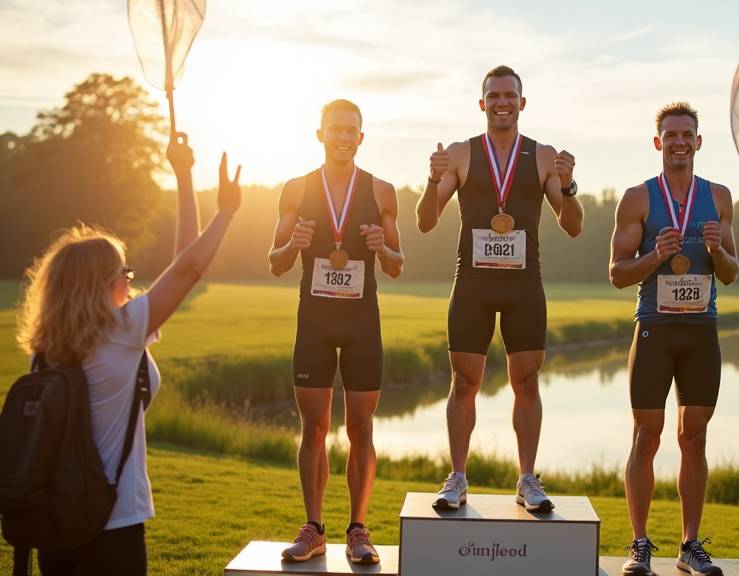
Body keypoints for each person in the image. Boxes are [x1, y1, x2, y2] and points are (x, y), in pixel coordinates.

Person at [15, 133, 242, 575]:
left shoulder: (44, 352)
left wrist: (183, 175)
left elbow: (181, 262)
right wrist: (226, 212)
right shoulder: (120, 333)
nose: (131, 280)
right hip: (112, 525)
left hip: (56, 525)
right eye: (126, 272)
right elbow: (189, 268)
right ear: (102, 285)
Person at [415, 65, 584, 512]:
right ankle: (457, 478)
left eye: (510, 96)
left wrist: (567, 185)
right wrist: (432, 180)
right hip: (473, 283)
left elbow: (573, 226)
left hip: (524, 286)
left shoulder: (544, 156)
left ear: (522, 103)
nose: (502, 103)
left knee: (525, 382)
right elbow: (425, 221)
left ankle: (527, 479)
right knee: (464, 381)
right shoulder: (460, 154)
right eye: (494, 96)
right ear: (482, 103)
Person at [269, 99, 403, 564]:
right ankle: (314, 528)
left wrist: (383, 247)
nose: (344, 136)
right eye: (335, 129)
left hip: (363, 322)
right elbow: (275, 261)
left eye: (352, 130)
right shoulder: (296, 189)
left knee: (361, 427)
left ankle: (359, 530)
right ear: (320, 134)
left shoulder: (382, 191)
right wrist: (292, 244)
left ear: (361, 137)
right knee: (315, 427)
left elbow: (398, 265)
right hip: (315, 323)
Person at [608, 102, 738, 576]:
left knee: (694, 437)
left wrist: (716, 249)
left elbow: (730, 273)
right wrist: (654, 257)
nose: (679, 141)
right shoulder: (637, 199)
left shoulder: (719, 197)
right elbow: (616, 274)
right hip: (655, 329)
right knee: (647, 435)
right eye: (671, 134)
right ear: (657, 142)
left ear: (698, 142)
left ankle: (689, 545)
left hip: (701, 331)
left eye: (687, 134)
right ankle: (640, 543)